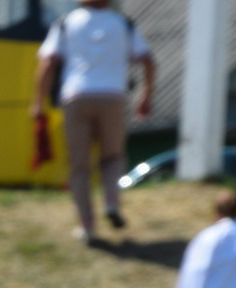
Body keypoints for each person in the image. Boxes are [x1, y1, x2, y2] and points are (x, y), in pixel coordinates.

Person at [34, 0, 154, 244]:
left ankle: (87, 225)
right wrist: (145, 96)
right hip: (113, 96)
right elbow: (148, 60)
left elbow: (48, 62)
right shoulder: (123, 23)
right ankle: (111, 202)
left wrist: (37, 102)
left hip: (76, 97)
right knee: (113, 156)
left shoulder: (67, 23)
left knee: (79, 166)